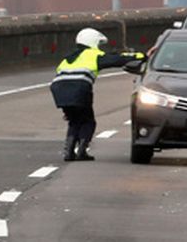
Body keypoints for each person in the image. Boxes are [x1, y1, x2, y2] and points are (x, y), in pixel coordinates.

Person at [50, 28, 145, 161]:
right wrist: (142, 56)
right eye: (99, 44)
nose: (100, 48)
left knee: (74, 120)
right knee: (88, 121)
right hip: (79, 88)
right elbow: (117, 60)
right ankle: (82, 150)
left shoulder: (68, 58)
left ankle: (69, 151)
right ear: (93, 42)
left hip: (59, 89)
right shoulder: (93, 55)